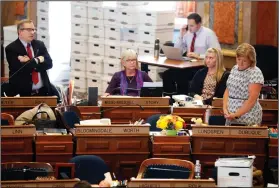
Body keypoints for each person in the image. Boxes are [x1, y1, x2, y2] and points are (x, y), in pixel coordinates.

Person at [163, 13, 221, 95]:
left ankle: (182, 99)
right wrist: (181, 36)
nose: (189, 28)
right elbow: (178, 50)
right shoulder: (187, 33)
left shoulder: (209, 34)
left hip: (202, 66)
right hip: (189, 65)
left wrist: (199, 56)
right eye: (188, 25)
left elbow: (217, 53)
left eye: (192, 25)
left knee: (181, 76)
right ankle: (168, 99)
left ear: (199, 24)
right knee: (167, 74)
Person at [5, 19, 59, 99]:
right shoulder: (11, 49)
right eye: (29, 30)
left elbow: (49, 64)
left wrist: (31, 62)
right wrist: (39, 60)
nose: (33, 32)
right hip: (23, 94)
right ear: (20, 32)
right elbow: (20, 69)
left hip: (43, 92)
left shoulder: (39, 45)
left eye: (33, 29)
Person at [223, 43, 264, 126]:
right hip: (230, 116)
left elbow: (252, 100)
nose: (240, 63)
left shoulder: (255, 73)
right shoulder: (234, 69)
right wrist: (225, 109)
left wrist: (236, 115)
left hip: (248, 117)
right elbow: (228, 90)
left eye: (244, 61)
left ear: (251, 60)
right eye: (238, 59)